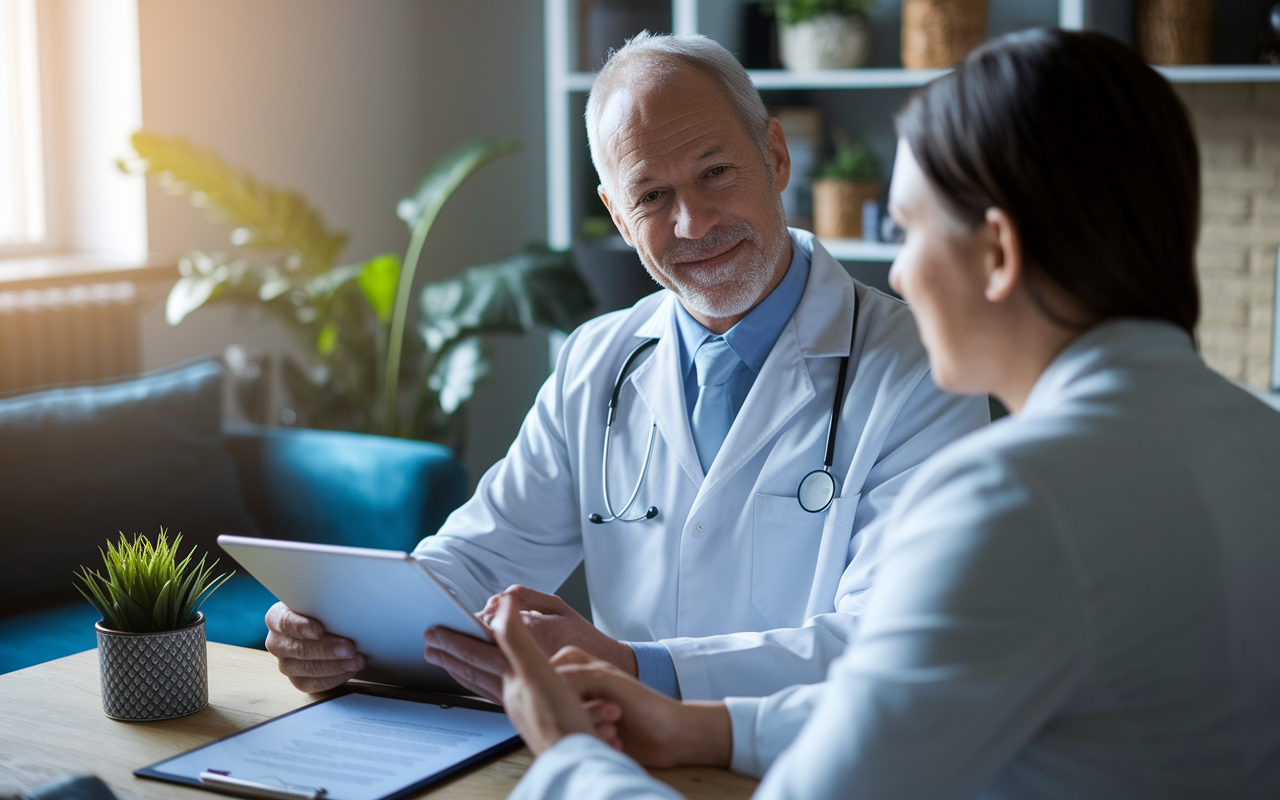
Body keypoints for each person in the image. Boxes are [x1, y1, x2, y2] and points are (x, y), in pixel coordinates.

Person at [489, 28, 1280, 799]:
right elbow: (939, 694)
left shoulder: (1011, 496)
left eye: (905, 230)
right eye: (654, 195)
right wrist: (707, 729)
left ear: (997, 253)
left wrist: (568, 759)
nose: (897, 276)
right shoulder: (1260, 443)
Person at [262, 33, 989, 702]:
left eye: (714, 173)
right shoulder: (596, 359)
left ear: (775, 156)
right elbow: (481, 558)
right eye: (652, 195)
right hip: (620, 759)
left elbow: (891, 639)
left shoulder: (922, 366)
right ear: (616, 213)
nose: (694, 223)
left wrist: (639, 671)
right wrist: (340, 628)